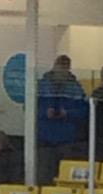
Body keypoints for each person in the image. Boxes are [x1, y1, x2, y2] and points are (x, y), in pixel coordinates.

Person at [37, 55, 87, 185]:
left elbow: (84, 111)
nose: (62, 70)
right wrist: (44, 112)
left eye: (65, 67)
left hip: (67, 139)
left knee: (65, 174)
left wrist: (68, 114)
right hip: (44, 137)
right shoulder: (41, 85)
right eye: (60, 66)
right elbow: (29, 107)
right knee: (44, 173)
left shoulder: (75, 87)